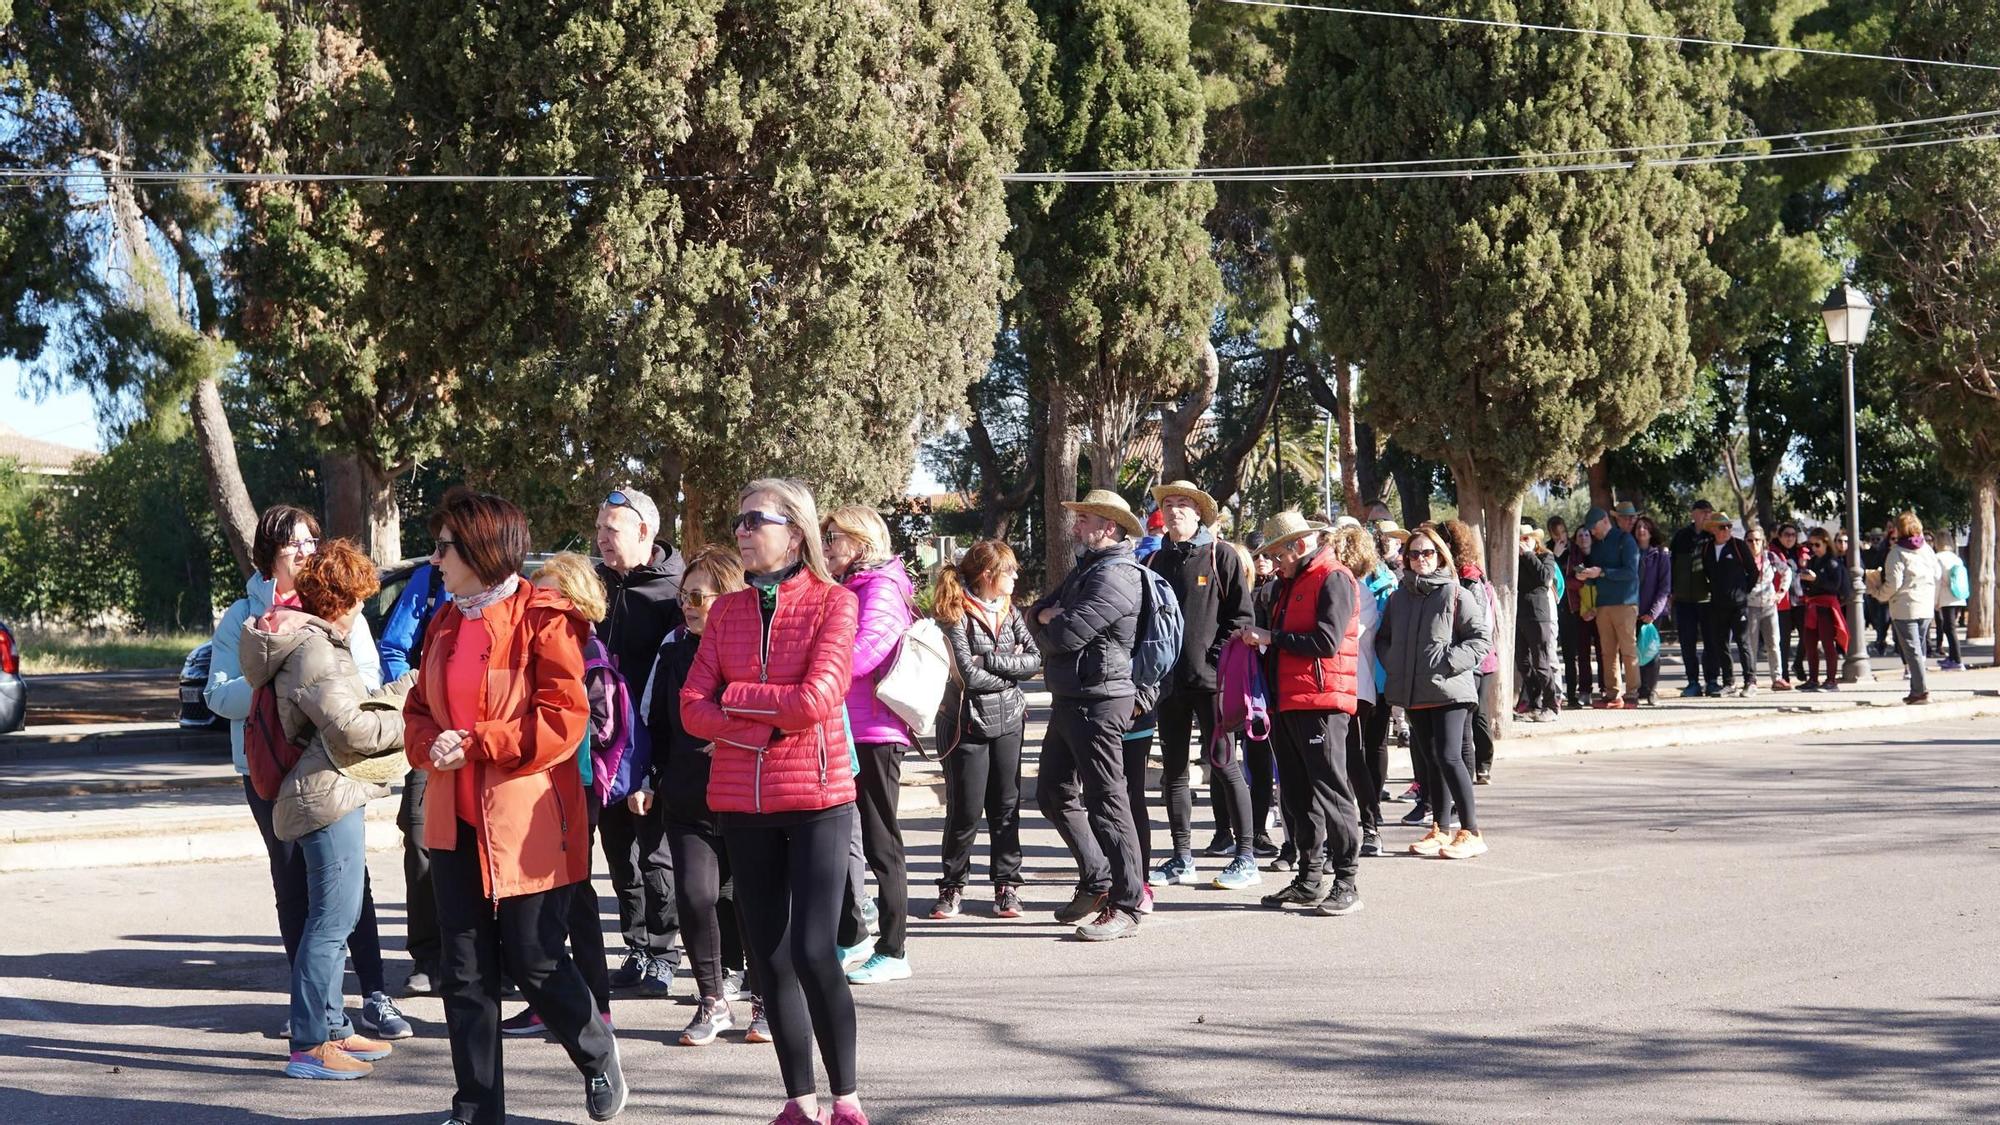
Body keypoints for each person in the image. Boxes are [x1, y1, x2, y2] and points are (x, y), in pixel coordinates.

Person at [404, 490, 625, 1125]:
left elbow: (563, 719)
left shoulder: (545, 617)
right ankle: (476, 1107)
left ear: (480, 549)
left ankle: (596, 1052)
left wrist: (476, 743)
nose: (436, 559)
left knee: (534, 958)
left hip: (529, 823)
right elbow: (420, 710)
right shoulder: (445, 620)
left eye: (444, 547)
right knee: (465, 974)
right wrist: (431, 744)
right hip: (455, 820)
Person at [680, 479, 868, 1125]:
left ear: (794, 529)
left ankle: (846, 1098)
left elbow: (819, 698)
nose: (739, 531)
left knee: (816, 949)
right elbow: (690, 707)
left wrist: (735, 701)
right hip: (739, 799)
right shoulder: (727, 612)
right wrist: (761, 718)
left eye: (752, 520)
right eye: (737, 520)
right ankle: (800, 1100)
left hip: (816, 796)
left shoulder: (834, 603)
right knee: (770, 955)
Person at [204, 504, 405, 1041]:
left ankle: (374, 994)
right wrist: (281, 683)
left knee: (346, 886)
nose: (305, 551)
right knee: (295, 884)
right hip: (269, 767)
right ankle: (313, 1012)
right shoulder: (241, 616)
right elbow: (219, 693)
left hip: (331, 766)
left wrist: (306, 686)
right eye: (295, 542)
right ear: (269, 551)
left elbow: (364, 675)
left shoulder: (336, 604)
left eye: (312, 540)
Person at [243, 540, 412, 1080]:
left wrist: (409, 686)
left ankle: (334, 1027)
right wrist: (412, 720)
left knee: (338, 915)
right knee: (331, 920)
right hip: (324, 793)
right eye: (358, 598)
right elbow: (352, 728)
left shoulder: (305, 641)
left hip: (323, 788)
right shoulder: (317, 650)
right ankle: (311, 1043)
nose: (363, 608)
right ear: (338, 599)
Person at [641, 545, 761, 1046]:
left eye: (697, 595)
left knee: (753, 903)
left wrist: (734, 733)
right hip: (687, 798)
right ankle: (712, 1001)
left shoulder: (756, 649)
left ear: (729, 599)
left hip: (748, 798)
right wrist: (649, 779)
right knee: (695, 897)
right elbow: (654, 722)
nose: (687, 604)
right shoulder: (671, 650)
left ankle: (766, 999)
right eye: (683, 595)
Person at [500, 552, 618, 1037]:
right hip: (544, 785)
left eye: (546, 592)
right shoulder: (539, 641)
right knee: (558, 900)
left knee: (573, 899)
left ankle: (595, 1006)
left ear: (573, 597)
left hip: (576, 785)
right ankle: (548, 1001)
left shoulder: (583, 648)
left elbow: (597, 726)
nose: (536, 601)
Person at [1030, 489, 1150, 942]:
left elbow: (1063, 634)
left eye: (1084, 520)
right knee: (1053, 792)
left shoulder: (1116, 577)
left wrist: (1047, 617)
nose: (1076, 526)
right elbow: (1034, 614)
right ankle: (1098, 878)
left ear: (1109, 527)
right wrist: (1044, 614)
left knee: (1107, 800)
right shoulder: (1088, 569)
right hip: (1072, 697)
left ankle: (1127, 903)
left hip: (1100, 699)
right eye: (1078, 518)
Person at [1239, 511, 1365, 916]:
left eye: (1278, 555)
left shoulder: (1334, 577)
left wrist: (1270, 637)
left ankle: (1346, 879)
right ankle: (1309, 879)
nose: (1274, 563)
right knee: (1295, 794)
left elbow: (1327, 641)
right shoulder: (1289, 583)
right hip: (1288, 699)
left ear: (1298, 545)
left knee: (1331, 790)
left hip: (1323, 701)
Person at [1141, 481, 1258, 891]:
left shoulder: (1220, 554)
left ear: (1199, 513)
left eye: (1184, 504)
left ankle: (1246, 856)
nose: (1175, 511)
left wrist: (1214, 659)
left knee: (1224, 766)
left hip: (1213, 685)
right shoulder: (1155, 561)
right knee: (1173, 772)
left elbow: (1242, 617)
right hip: (1168, 684)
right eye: (1168, 504)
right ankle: (1182, 857)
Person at [593, 487, 684, 998]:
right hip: (604, 746)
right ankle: (635, 945)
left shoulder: (674, 589)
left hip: (652, 745)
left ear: (645, 532)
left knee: (656, 855)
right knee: (618, 852)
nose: (603, 538)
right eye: (600, 528)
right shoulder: (597, 585)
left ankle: (665, 950)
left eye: (613, 529)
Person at [820, 505, 917, 985]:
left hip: (876, 733)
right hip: (844, 728)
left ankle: (895, 949)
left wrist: (813, 667)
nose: (826, 544)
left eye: (833, 536)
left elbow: (861, 654)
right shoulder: (849, 587)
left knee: (882, 844)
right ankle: (853, 935)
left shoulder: (882, 588)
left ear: (860, 542)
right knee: (841, 839)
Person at [930, 539, 1039, 920]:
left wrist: (992, 660)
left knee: (1007, 808)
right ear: (988, 575)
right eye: (1009, 570)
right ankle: (952, 886)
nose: (1015, 576)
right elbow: (968, 675)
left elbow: (1034, 660)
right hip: (966, 724)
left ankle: (1007, 886)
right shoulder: (953, 612)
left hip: (1009, 721)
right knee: (965, 811)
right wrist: (1007, 673)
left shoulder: (1011, 612)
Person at [1378, 524, 1492, 860]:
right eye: (1414, 553)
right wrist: (1394, 662)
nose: (1420, 559)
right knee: (1429, 761)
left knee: (1449, 755)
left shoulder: (1456, 593)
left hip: (1450, 690)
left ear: (1439, 555)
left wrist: (1448, 662)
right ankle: (1441, 828)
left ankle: (1470, 830)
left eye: (1427, 552)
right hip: (1414, 689)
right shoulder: (1399, 597)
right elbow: (1384, 639)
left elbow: (1480, 640)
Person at [377, 543, 454, 998]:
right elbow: (393, 646)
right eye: (438, 546)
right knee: (422, 840)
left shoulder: (511, 591)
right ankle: (428, 956)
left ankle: (494, 957)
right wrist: (419, 696)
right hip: (431, 740)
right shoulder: (428, 583)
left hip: (485, 739)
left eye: (447, 546)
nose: (438, 556)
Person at [1334, 525, 1396, 854]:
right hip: (1331, 687)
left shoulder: (1362, 593)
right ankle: (1341, 829)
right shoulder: (1332, 586)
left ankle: (1371, 825)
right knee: (1336, 762)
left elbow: (1344, 635)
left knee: (1354, 760)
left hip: (1356, 688)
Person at [1435, 520, 1501, 780]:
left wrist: (1462, 656)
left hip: (1476, 661)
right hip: (1457, 660)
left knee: (1477, 718)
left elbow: (1479, 625)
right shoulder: (1445, 575)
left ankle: (1482, 765)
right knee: (1463, 726)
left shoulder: (1470, 578)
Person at [1868, 511, 1941, 705]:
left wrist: (1877, 592)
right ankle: (1917, 688)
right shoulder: (1926, 549)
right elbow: (1937, 573)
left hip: (1905, 607)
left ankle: (1921, 691)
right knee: (1920, 649)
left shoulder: (1897, 553)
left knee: (1912, 650)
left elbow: (1893, 584)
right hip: (1925, 606)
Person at [1579, 505, 1641, 708]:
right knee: (1607, 652)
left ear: (1605, 521)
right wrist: (1587, 577)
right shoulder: (1596, 546)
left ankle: (1632, 693)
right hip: (1603, 605)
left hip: (1625, 603)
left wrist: (1603, 572)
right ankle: (1612, 694)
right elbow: (1596, 577)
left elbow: (1631, 572)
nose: (1592, 532)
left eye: (1594, 527)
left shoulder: (1626, 540)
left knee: (1628, 650)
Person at [1699, 512, 1756, 696]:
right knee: (1721, 644)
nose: (1726, 530)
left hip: (1738, 605)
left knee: (1743, 642)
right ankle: (1729, 682)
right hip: (1717, 604)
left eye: (1729, 527)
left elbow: (1753, 572)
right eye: (1722, 527)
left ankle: (1750, 682)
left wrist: (1742, 591)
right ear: (1713, 529)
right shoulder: (1707, 548)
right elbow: (1706, 573)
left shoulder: (1738, 546)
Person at [1669, 499, 1715, 697]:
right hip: (1683, 600)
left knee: (1711, 642)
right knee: (1687, 643)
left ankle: (1712, 680)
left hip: (1707, 600)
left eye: (1709, 512)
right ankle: (1692, 682)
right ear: (1693, 513)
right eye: (1703, 512)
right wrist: (1671, 591)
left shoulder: (1713, 536)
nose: (1707, 515)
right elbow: (1671, 564)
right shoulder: (1681, 536)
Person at [1516, 524, 1561, 722]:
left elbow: (1545, 578)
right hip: (1518, 616)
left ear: (1535, 540)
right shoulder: (1514, 559)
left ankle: (1552, 705)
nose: (1523, 542)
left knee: (1542, 662)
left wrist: (1528, 555)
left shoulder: (1545, 556)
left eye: (1527, 538)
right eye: (1520, 539)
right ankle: (1535, 703)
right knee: (1523, 663)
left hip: (1538, 615)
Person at [1797, 528, 1850, 691]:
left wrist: (1815, 579)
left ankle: (1831, 680)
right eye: (1810, 544)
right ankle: (1813, 679)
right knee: (1810, 644)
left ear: (1826, 543)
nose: (1813, 548)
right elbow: (1807, 584)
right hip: (1812, 605)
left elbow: (1834, 586)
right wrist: (1805, 579)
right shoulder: (1813, 561)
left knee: (1828, 644)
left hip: (1826, 606)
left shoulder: (1833, 562)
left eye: (1817, 544)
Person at [1741, 526, 1792, 695]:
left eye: (1757, 540)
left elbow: (1787, 571)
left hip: (1769, 606)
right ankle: (1751, 680)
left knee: (1773, 643)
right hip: (1750, 606)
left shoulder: (1770, 557)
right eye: (1750, 540)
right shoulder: (1741, 558)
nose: (1754, 543)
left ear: (1763, 542)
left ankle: (1777, 678)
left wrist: (1781, 593)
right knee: (1751, 645)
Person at [1558, 526, 1599, 708]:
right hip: (1581, 611)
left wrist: (1597, 609)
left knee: (1604, 651)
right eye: (1580, 535)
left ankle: (1607, 689)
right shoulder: (1575, 556)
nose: (1583, 537)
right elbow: (1578, 580)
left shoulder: (1599, 555)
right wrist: (1571, 581)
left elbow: (1589, 580)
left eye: (1586, 534)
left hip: (1600, 610)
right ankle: (1585, 691)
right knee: (1582, 653)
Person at [1633, 516, 1672, 706]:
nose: (1641, 530)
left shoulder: (1660, 555)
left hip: (1652, 613)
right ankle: (1639, 688)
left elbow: (1664, 587)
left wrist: (1653, 613)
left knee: (1651, 651)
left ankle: (1652, 690)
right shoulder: (1630, 553)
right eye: (1638, 527)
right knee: (1634, 652)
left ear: (1651, 531)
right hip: (1631, 611)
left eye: (1645, 527)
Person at [1773, 523, 1812, 683]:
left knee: (1807, 636)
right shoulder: (1773, 553)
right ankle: (1784, 675)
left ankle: (1797, 664)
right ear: (1779, 536)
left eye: (1793, 535)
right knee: (1784, 641)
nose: (1789, 538)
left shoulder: (1800, 552)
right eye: (1786, 534)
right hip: (1783, 602)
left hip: (1800, 599)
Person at [1934, 533, 1967, 670]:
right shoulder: (1956, 558)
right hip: (1959, 595)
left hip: (1946, 596)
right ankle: (1953, 657)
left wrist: (1935, 600)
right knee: (1949, 628)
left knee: (1949, 629)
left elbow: (1937, 580)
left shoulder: (1938, 558)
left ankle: (1957, 660)